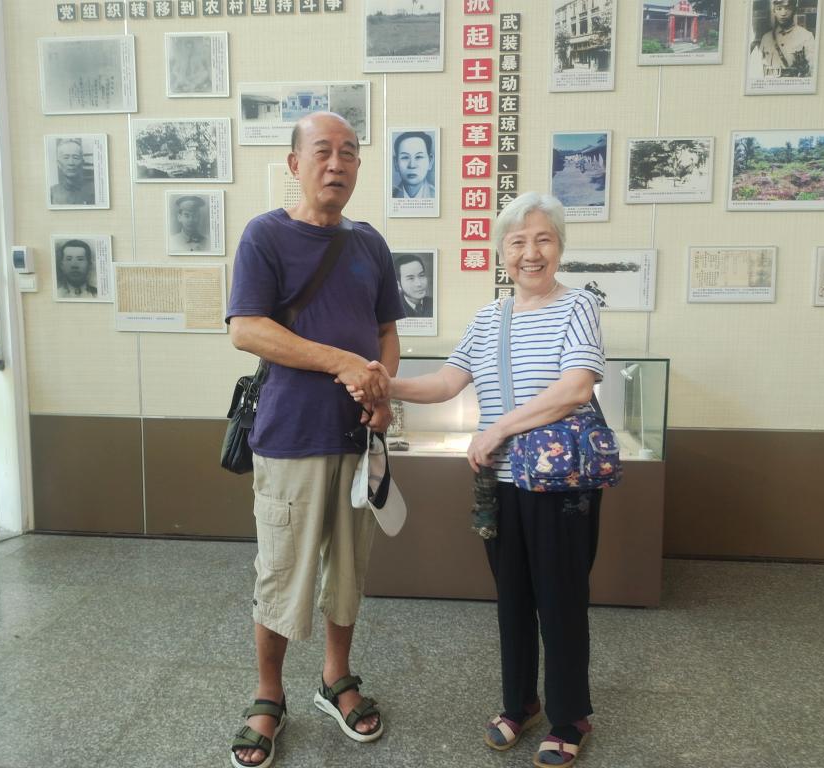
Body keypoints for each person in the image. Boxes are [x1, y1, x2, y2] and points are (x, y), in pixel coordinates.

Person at [348, 192, 606, 768]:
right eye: (518, 242)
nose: (530, 253)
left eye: (543, 239)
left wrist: (497, 430)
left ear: (560, 247)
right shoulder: (490, 318)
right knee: (512, 597)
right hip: (501, 483)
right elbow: (447, 382)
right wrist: (385, 383)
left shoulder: (578, 306)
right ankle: (521, 703)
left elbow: (576, 387)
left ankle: (570, 717)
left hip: (561, 486)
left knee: (561, 601)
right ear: (501, 253)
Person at [225, 112, 404, 768]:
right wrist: (342, 363)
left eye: (349, 153)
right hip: (290, 436)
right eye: (323, 151)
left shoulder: (370, 244)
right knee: (281, 571)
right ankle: (268, 694)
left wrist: (380, 388)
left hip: (357, 440)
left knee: (348, 570)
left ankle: (335, 678)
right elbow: (246, 329)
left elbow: (386, 331)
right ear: (294, 163)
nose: (337, 163)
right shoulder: (265, 235)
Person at [757, 0, 815, 78]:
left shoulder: (806, 36)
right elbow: (758, 69)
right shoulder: (766, 38)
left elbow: (813, 70)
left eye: (787, 8)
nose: (783, 13)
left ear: (795, 10)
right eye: (779, 8)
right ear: (774, 11)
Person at [50, 138, 95, 206]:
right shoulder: (52, 193)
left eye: (75, 157)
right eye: (66, 157)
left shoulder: (94, 190)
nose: (71, 163)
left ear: (82, 162)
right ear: (58, 163)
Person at [391, 131, 435, 199]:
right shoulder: (390, 196)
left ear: (430, 161)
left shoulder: (436, 195)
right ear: (396, 163)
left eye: (418, 157)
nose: (412, 165)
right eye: (405, 157)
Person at [394, 253, 432, 317]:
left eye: (421, 275)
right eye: (410, 278)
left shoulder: (433, 303)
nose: (419, 284)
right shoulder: (394, 309)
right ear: (398, 285)